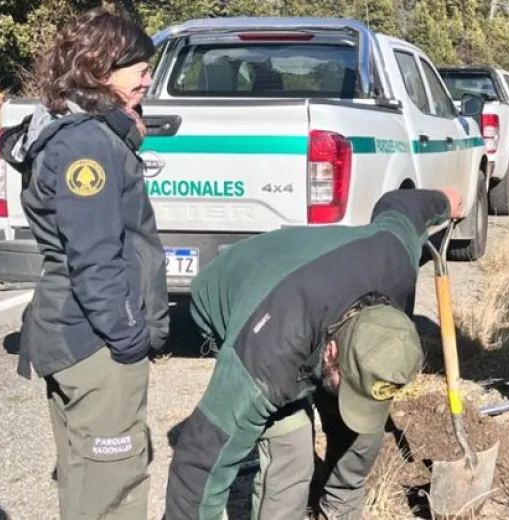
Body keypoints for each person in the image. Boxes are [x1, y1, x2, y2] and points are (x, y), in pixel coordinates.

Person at [163, 188, 463, 520]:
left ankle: (339, 508)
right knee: (291, 453)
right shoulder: (268, 358)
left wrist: (445, 201)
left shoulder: (396, 259)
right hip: (237, 289)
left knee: (363, 425)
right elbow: (199, 462)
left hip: (314, 298)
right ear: (330, 352)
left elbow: (401, 205)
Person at [0, 7, 169, 520]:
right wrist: (129, 334)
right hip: (93, 342)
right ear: (101, 68)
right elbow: (95, 256)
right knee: (112, 491)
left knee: (85, 477)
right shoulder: (85, 144)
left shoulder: (79, 132)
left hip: (77, 333)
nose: (148, 80)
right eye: (140, 69)